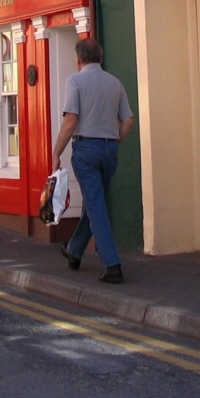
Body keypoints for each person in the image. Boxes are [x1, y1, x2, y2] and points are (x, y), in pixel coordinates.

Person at [50, 38, 134, 284]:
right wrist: (114, 139)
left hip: (86, 148)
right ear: (100, 57)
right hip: (109, 149)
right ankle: (74, 251)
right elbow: (128, 120)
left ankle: (113, 265)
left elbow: (71, 119)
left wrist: (57, 152)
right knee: (94, 202)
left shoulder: (74, 81)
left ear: (78, 60)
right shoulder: (114, 83)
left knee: (96, 206)